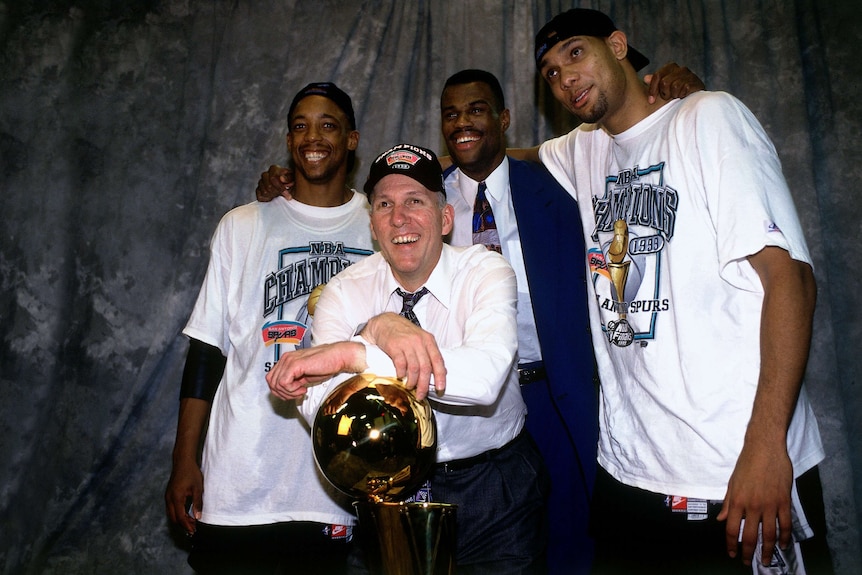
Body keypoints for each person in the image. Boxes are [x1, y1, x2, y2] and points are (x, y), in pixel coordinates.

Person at [531, 8, 832, 574]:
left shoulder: (707, 117)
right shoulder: (583, 149)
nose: (565, 77)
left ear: (618, 45)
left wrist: (768, 447)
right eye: (550, 72)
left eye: (575, 53)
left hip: (735, 471)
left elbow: (791, 280)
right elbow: (508, 160)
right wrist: (416, 178)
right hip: (630, 474)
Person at [266, 143, 551, 574]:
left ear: (446, 218)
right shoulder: (345, 290)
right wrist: (378, 331)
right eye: (385, 204)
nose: (399, 218)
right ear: (372, 226)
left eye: (415, 201)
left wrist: (358, 352)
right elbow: (321, 402)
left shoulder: (486, 272)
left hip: (493, 486)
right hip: (387, 484)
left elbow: (484, 380)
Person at [164, 82, 375, 574]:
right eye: (300, 126)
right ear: (288, 140)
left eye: (327, 125)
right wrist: (184, 459)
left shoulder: (379, 224)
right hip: (240, 480)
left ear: (351, 140)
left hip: (335, 487)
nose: (312, 136)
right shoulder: (241, 225)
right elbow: (207, 352)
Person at [438, 68, 596, 574]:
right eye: (451, 114)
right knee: (494, 549)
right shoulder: (426, 203)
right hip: (472, 408)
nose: (462, 123)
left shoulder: (558, 189)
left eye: (476, 110)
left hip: (552, 392)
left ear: (503, 118)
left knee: (570, 535)